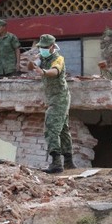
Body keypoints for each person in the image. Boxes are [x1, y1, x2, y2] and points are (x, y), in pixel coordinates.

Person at [28, 34, 74, 173]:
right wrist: (32, 64)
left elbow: (54, 71)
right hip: (53, 98)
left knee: (51, 127)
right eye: (41, 47)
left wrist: (43, 72)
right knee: (63, 130)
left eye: (45, 47)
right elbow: (32, 66)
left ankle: (56, 163)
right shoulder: (42, 57)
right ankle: (68, 162)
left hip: (60, 98)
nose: (42, 49)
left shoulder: (58, 59)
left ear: (52, 46)